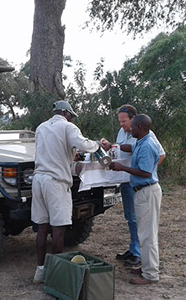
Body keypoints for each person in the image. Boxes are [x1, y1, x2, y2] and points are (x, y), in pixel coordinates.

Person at [32, 100, 109, 284]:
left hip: (38, 180)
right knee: (58, 230)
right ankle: (56, 274)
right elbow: (83, 144)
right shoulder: (68, 127)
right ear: (66, 114)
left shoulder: (41, 127)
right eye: (71, 115)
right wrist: (98, 145)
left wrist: (69, 154)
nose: (71, 118)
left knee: (42, 228)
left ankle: (40, 270)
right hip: (55, 183)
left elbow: (51, 150)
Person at [107, 105, 165, 268]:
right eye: (120, 122)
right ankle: (134, 250)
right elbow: (127, 148)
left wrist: (147, 170)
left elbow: (159, 157)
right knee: (132, 219)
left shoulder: (147, 139)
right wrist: (110, 147)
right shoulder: (132, 137)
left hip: (143, 185)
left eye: (125, 122)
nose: (123, 126)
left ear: (135, 122)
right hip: (130, 183)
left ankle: (143, 260)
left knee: (145, 228)